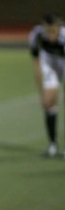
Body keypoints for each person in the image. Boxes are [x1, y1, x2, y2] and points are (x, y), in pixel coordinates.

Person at [28, 13, 65, 158]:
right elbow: (36, 63)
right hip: (49, 62)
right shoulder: (36, 35)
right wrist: (41, 92)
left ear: (58, 28)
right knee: (49, 102)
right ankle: (53, 145)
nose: (50, 34)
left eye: (53, 31)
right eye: (47, 31)